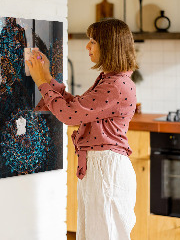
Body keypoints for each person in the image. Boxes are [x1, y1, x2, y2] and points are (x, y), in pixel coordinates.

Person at [27, 18, 138, 240]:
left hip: (106, 169)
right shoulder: (111, 80)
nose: (87, 46)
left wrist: (41, 81)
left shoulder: (115, 85)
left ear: (109, 45)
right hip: (101, 167)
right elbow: (76, 106)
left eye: (93, 41)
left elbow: (69, 115)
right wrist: (47, 77)